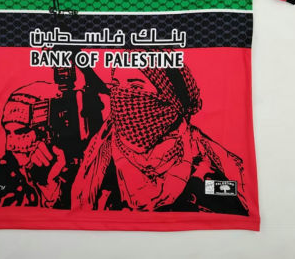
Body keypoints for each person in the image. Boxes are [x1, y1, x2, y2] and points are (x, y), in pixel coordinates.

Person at [71, 57, 249, 215]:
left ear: (170, 99)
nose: (121, 96)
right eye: (116, 86)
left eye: (135, 87)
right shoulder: (99, 157)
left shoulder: (214, 167)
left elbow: (231, 204)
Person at [0, 81, 69, 208]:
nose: (9, 145)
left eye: (21, 132)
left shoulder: (79, 173)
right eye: (8, 133)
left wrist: (48, 188)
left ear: (48, 133)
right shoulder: (7, 170)